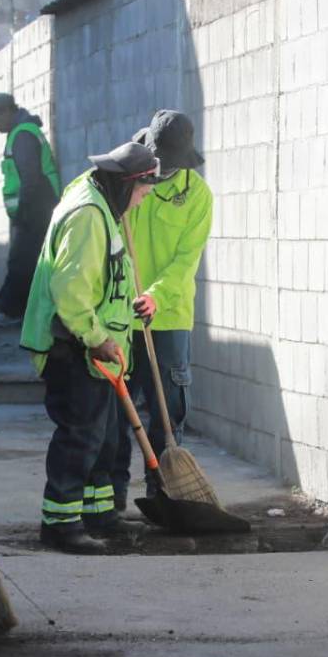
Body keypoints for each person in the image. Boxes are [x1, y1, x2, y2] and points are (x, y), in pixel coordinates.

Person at [20, 142, 161, 554]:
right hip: (73, 347)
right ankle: (60, 524)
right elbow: (71, 291)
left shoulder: (103, 204)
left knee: (104, 439)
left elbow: (108, 279)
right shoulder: (88, 215)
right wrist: (97, 337)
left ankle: (99, 514)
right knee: (80, 436)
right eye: (142, 193)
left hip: (97, 349)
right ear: (128, 183)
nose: (142, 202)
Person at [109, 110, 212, 513]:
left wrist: (156, 296)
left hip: (167, 317)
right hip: (119, 315)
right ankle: (111, 495)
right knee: (118, 413)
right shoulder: (125, 178)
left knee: (167, 415)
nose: (163, 171)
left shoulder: (197, 195)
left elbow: (186, 261)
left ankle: (164, 492)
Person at [0, 93, 60, 328]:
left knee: (20, 261)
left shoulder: (22, 135)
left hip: (36, 208)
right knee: (33, 262)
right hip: (39, 206)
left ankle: (10, 311)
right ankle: (28, 312)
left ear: (5, 111)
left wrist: (23, 212)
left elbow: (30, 178)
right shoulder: (23, 132)